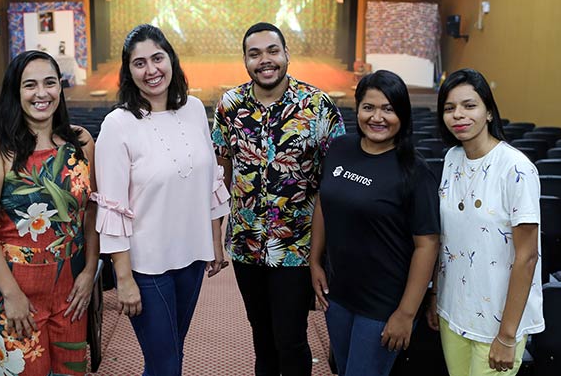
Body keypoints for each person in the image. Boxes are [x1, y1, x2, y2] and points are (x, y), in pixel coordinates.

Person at [93, 24, 230, 376]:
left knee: (171, 355)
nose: (151, 70)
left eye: (158, 58)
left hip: (191, 258)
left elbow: (211, 179)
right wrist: (122, 278)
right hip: (145, 266)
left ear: (172, 60)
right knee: (165, 364)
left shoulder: (196, 109)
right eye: (139, 63)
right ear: (128, 71)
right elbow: (111, 207)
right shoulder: (117, 125)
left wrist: (215, 242)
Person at [211, 22, 344, 376]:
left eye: (272, 51)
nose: (264, 60)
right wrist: (214, 234)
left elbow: (335, 180)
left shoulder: (318, 105)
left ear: (286, 54)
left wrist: (325, 251)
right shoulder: (230, 105)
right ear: (245, 60)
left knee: (291, 339)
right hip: (245, 244)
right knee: (262, 336)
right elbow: (221, 171)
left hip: (297, 246)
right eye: (255, 54)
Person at [0, 50, 99, 375]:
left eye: (50, 83)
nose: (42, 93)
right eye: (30, 85)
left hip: (70, 286)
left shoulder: (81, 142)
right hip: (11, 288)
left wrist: (90, 271)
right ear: (15, 92)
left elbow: (92, 211)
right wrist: (10, 295)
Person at [309, 70, 440, 376]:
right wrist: (315, 260)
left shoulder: (415, 171)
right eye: (369, 107)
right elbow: (323, 202)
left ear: (402, 114)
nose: (377, 117)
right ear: (357, 109)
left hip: (384, 305)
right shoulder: (341, 149)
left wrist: (406, 313)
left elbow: (427, 244)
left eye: (388, 109)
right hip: (339, 296)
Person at [427, 68, 543, 375]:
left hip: (498, 320)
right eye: (449, 108)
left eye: (469, 105)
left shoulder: (516, 168)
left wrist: (506, 336)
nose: (458, 115)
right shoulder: (452, 159)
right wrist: (437, 296)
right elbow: (447, 239)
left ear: (489, 112)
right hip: (454, 310)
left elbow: (527, 256)